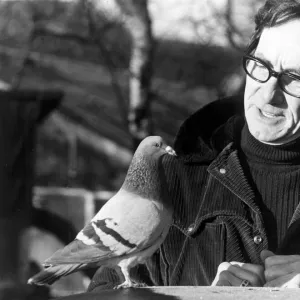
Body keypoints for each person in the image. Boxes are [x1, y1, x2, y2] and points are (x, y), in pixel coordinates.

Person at [88, 0, 300, 290]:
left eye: (294, 78)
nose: (268, 94)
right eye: (261, 65)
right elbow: (103, 294)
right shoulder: (171, 182)